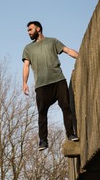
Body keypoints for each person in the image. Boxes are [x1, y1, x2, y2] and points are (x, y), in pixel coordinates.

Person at [22, 21, 79, 151]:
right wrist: (24, 83)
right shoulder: (28, 48)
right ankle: (43, 140)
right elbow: (26, 66)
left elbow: (68, 51)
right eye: (28, 30)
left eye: (30, 29)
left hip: (58, 80)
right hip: (42, 85)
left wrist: (81, 57)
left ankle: (70, 134)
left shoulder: (52, 42)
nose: (28, 32)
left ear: (38, 29)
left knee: (66, 106)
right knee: (42, 113)